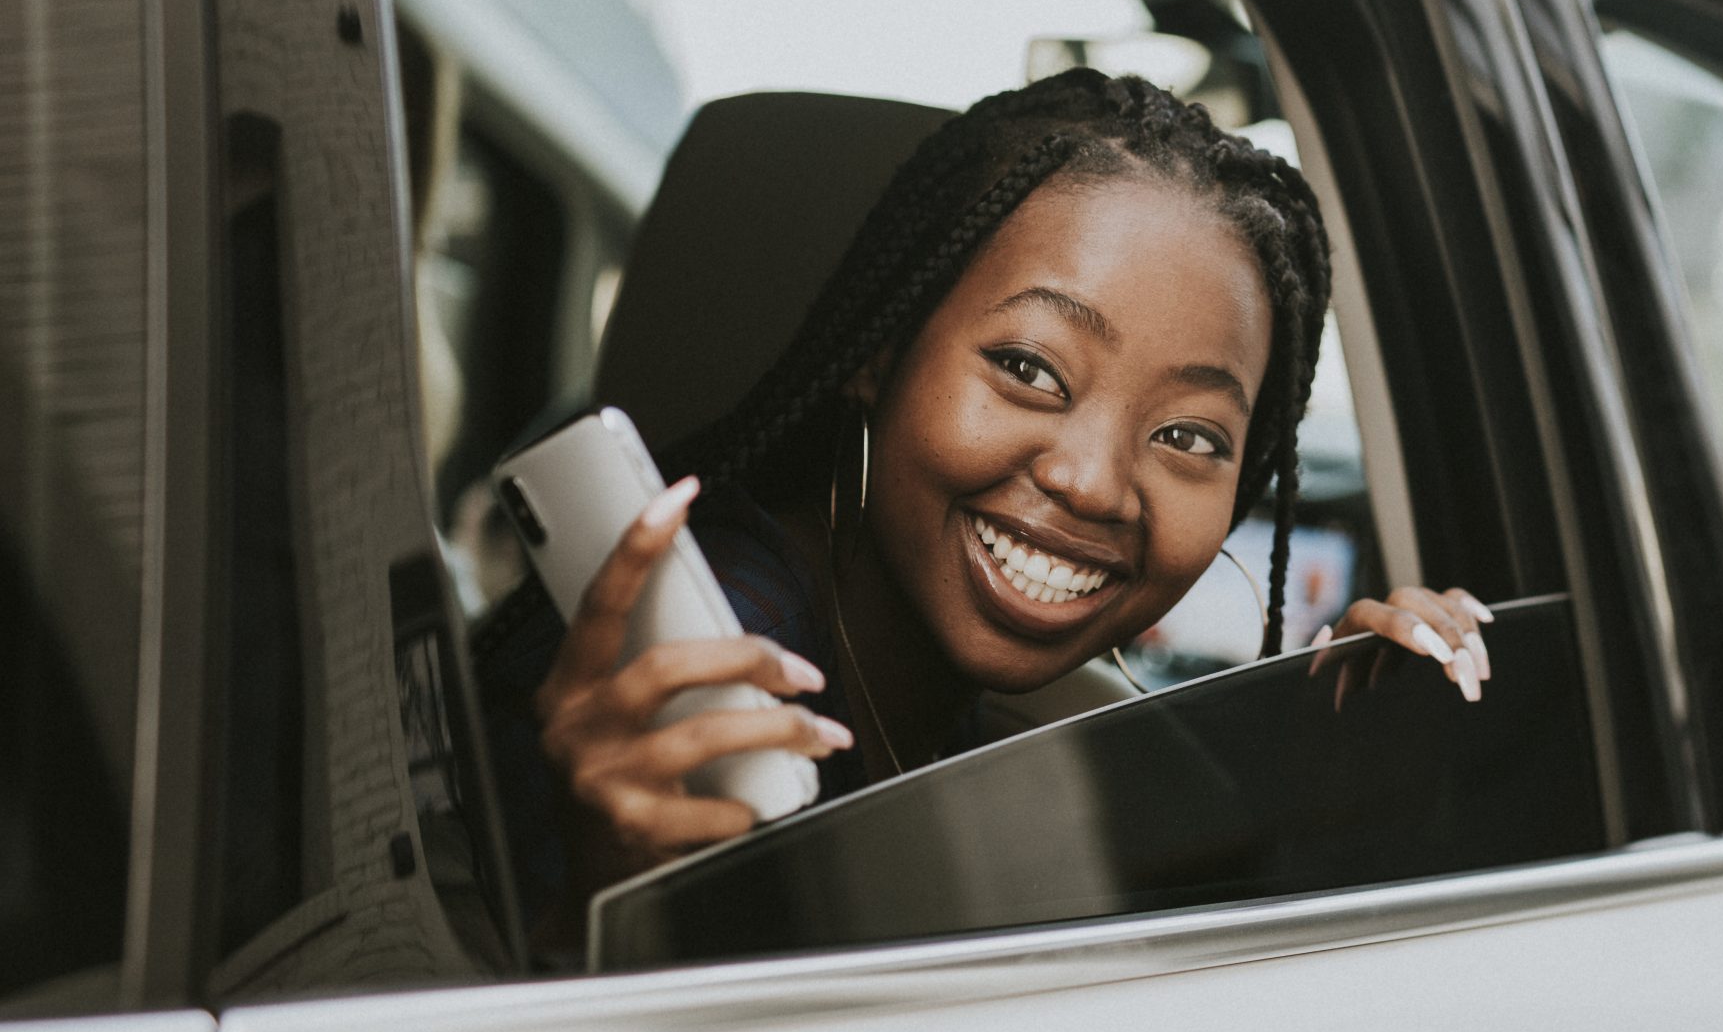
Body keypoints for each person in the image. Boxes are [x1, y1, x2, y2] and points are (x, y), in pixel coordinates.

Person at [478, 69, 1493, 937]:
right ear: (880, 352)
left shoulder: (923, 694)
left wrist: (1333, 790)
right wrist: (610, 890)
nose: (1092, 481)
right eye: (1027, 368)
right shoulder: (715, 668)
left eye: (1187, 435)